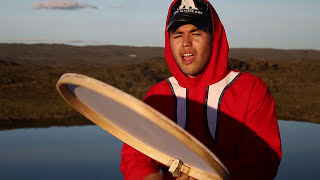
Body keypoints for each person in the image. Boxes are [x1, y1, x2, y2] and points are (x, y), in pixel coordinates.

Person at [120, 0, 282, 179]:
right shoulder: (158, 95)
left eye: (196, 33)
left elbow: (264, 161)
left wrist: (209, 175)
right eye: (178, 34)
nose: (186, 43)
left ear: (214, 37)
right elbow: (134, 157)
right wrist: (148, 176)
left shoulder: (250, 89)